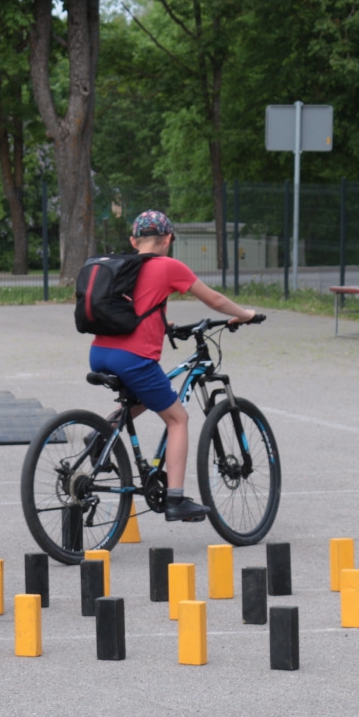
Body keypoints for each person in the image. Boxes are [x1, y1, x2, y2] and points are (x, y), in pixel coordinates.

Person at [90, 210, 256, 522]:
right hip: (133, 357)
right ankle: (176, 499)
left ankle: (102, 434)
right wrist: (243, 314)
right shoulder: (168, 266)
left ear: (133, 240)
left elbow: (135, 306)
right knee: (177, 418)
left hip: (99, 351)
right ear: (168, 239)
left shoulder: (123, 265)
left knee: (139, 398)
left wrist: (165, 324)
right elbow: (215, 300)